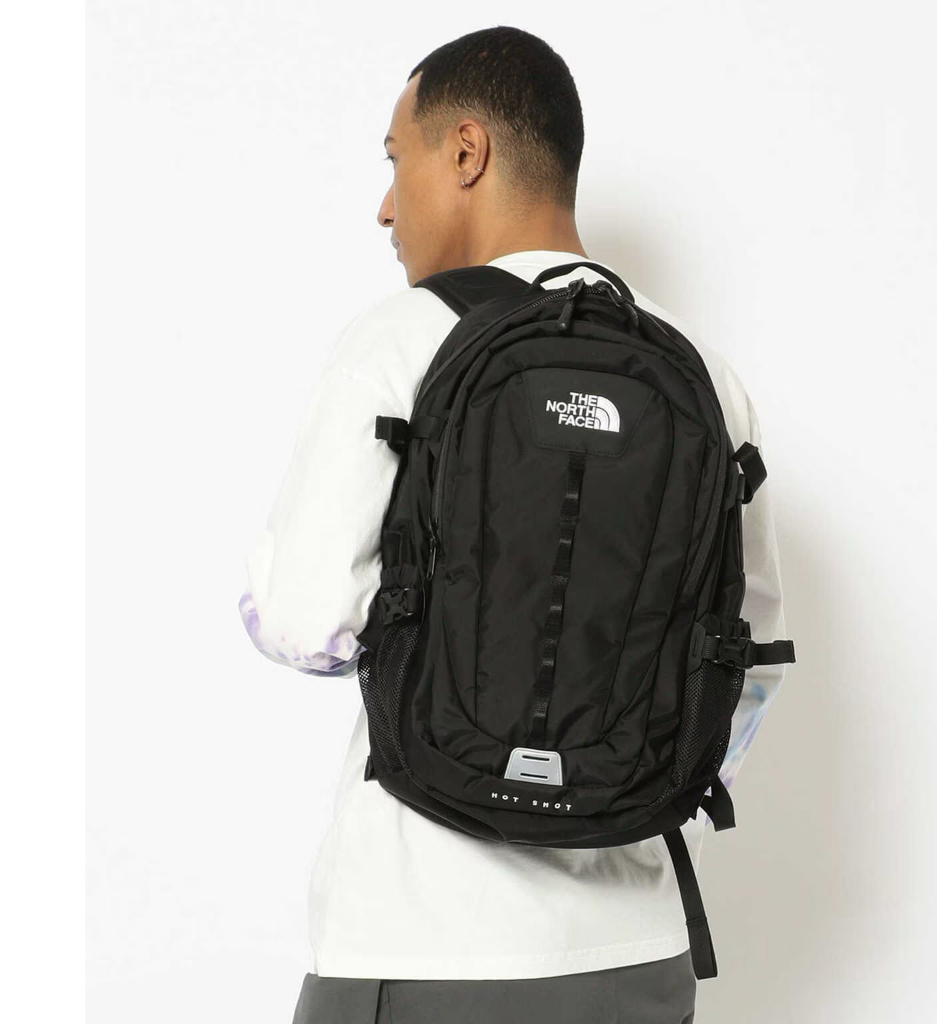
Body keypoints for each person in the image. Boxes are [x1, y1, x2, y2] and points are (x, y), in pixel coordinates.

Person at [239, 25, 788, 1024]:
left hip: (419, 941)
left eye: (395, 161)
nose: (384, 205)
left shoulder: (399, 342)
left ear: (466, 151)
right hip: (636, 953)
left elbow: (301, 617)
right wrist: (617, 785)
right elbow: (750, 660)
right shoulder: (706, 376)